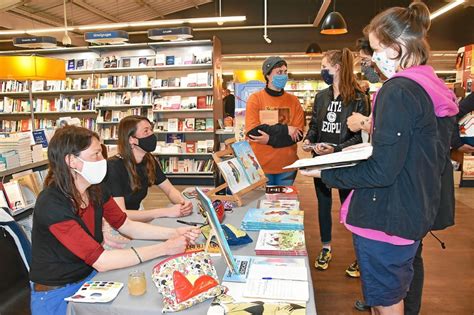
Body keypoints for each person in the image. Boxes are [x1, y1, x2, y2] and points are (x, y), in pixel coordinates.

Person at [301, 2, 458, 314]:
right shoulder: (432, 87)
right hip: (413, 210)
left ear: (397, 47)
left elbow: (383, 171)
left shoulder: (397, 90)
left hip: (387, 217)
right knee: (401, 287)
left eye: (376, 50)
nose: (372, 59)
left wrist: (325, 173)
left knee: (385, 302)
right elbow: (423, 151)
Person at [29, 125, 200, 315]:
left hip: (90, 279)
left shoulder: (95, 189)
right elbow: (102, 260)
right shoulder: (52, 204)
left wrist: (175, 233)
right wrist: (164, 248)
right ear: (71, 161)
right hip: (58, 293)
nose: (103, 160)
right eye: (96, 155)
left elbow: (126, 225)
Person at [302, 49, 369, 272]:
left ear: (337, 67)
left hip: (346, 162)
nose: (323, 70)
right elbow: (314, 126)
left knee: (350, 207)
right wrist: (309, 141)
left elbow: (361, 135)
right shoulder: (322, 96)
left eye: (324, 66)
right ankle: (325, 247)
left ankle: (361, 254)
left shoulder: (359, 98)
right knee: (323, 204)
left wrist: (337, 149)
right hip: (320, 159)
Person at [104, 115, 193, 224]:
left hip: (137, 214)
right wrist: (164, 212)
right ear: (132, 139)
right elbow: (122, 214)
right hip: (114, 223)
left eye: (151, 130)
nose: (151, 135)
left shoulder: (149, 160)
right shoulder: (113, 166)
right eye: (146, 131)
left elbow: (169, 190)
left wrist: (183, 203)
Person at [245, 56, 305, 186]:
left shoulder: (293, 101)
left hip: (287, 166)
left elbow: (298, 135)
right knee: (262, 204)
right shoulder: (255, 99)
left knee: (283, 204)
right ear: (267, 75)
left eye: (285, 72)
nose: (283, 75)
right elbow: (253, 132)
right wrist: (286, 129)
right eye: (279, 72)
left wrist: (269, 140)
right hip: (260, 167)